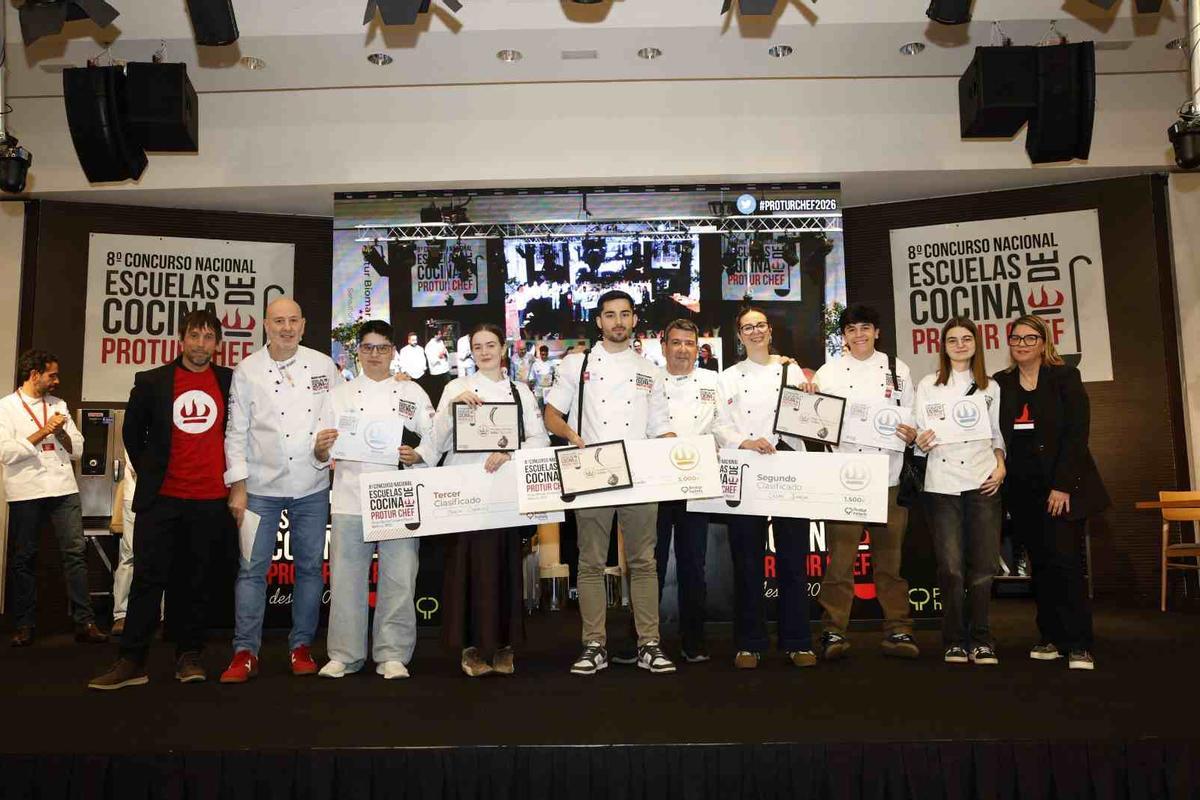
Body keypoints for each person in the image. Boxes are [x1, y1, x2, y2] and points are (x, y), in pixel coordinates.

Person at [89, 310, 234, 690]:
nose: (200, 344)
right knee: (147, 580)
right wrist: (153, 473)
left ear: (218, 344)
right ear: (181, 339)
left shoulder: (229, 382)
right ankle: (131, 660)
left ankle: (189, 656)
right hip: (162, 499)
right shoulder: (152, 381)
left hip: (210, 499)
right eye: (194, 336)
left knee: (196, 582)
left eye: (208, 337)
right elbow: (133, 434)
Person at [544, 289, 675, 676]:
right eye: (610, 315)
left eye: (625, 314)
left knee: (644, 563)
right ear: (599, 321)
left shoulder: (650, 370)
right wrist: (572, 436)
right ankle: (593, 645)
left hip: (640, 474)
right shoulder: (576, 363)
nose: (618, 321)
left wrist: (686, 455)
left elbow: (661, 427)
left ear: (634, 319)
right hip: (593, 471)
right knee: (590, 563)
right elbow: (551, 414)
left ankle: (649, 644)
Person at [219, 298, 341, 683]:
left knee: (310, 569)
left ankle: (301, 646)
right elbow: (236, 432)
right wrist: (238, 487)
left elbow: (342, 417)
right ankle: (245, 652)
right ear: (265, 326)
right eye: (278, 321)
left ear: (303, 325)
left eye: (292, 321)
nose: (286, 328)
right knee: (251, 571)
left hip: (312, 486)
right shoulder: (247, 370)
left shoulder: (324, 366)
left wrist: (325, 452)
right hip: (259, 488)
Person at [312, 320, 437, 680]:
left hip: (397, 495)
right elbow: (319, 449)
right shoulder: (339, 395)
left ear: (393, 352)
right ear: (358, 352)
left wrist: (418, 454)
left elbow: (434, 435)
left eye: (382, 347)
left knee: (399, 578)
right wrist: (320, 448)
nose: (375, 354)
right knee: (345, 579)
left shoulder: (411, 392)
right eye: (368, 347)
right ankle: (344, 654)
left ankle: (393, 654)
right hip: (350, 496)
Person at [428, 323, 549, 677]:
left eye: (491, 345)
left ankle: (504, 647)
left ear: (503, 349)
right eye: (478, 346)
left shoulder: (520, 392)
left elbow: (539, 440)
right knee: (465, 570)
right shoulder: (455, 388)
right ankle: (470, 649)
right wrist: (451, 410)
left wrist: (510, 453)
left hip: (504, 493)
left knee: (505, 567)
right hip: (464, 493)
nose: (484, 352)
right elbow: (436, 442)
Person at [994, 314, 1109, 671]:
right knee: (1041, 565)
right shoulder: (1001, 382)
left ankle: (1078, 643)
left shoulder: (1065, 377)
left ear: (1044, 342)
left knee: (1066, 563)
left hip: (1063, 487)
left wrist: (1062, 485)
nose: (1022, 344)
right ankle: (1050, 637)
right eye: (1016, 338)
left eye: (1030, 338)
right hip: (1022, 489)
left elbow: (1077, 434)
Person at [811, 304, 919, 661]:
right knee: (840, 562)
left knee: (890, 562)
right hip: (846, 477)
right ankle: (833, 630)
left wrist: (910, 432)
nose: (859, 335)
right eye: (851, 329)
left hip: (888, 476)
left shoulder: (897, 369)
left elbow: (912, 419)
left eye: (865, 327)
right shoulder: (828, 373)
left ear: (877, 332)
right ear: (844, 336)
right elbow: (816, 422)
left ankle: (899, 629)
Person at [712, 307, 816, 670]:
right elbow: (719, 424)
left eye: (760, 326)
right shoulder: (727, 378)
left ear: (770, 331)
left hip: (788, 466)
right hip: (747, 468)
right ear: (739, 336)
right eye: (747, 327)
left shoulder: (792, 370)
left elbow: (810, 416)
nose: (755, 332)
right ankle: (749, 643)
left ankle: (798, 642)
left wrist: (811, 395)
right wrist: (746, 441)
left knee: (794, 560)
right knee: (747, 562)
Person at [913, 317, 1006, 665]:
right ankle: (953, 640)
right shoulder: (928, 385)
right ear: (943, 346)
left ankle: (981, 639)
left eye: (966, 338)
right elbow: (919, 435)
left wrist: (1001, 465)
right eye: (952, 340)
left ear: (976, 344)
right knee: (951, 568)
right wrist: (920, 441)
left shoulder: (990, 387)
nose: (960, 345)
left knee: (983, 567)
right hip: (943, 483)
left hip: (984, 480)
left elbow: (997, 433)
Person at [0, 349, 106, 647]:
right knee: (24, 557)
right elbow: (5, 452)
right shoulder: (6, 407)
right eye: (52, 375)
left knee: (75, 552)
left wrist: (60, 434)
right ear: (34, 375)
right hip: (26, 490)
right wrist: (40, 433)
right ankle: (25, 624)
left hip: (63, 487)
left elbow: (78, 449)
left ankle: (85, 622)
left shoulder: (59, 405)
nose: (57, 381)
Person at [647, 319, 718, 662]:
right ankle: (645, 639)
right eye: (676, 342)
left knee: (693, 564)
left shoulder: (714, 381)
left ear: (698, 348)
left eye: (689, 343)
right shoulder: (648, 380)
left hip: (697, 484)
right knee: (651, 564)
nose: (682, 349)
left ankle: (694, 641)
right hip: (656, 483)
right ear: (664, 347)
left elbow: (725, 424)